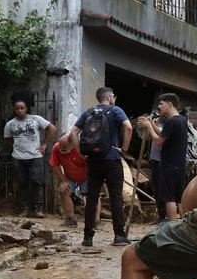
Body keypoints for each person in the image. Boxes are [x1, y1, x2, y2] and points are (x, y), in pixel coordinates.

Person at [70, 87, 133, 247]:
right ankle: (119, 235)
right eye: (113, 97)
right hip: (112, 159)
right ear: (110, 97)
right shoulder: (116, 110)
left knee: (91, 198)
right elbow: (128, 127)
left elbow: (73, 133)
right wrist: (124, 148)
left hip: (93, 161)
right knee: (115, 197)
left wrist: (82, 153)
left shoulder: (88, 112)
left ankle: (88, 237)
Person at [136, 94, 188, 221]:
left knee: (169, 198)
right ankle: (183, 223)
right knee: (179, 197)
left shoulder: (171, 121)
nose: (159, 107)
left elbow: (159, 141)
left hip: (169, 164)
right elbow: (164, 134)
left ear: (170, 104)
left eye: (161, 104)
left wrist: (148, 127)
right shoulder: (181, 120)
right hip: (179, 164)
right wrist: (153, 126)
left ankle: (171, 227)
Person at [3, 98, 56, 218]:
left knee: (37, 182)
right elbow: (7, 139)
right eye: (17, 108)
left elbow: (52, 128)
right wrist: (15, 147)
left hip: (35, 156)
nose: (20, 110)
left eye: (22, 108)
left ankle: (38, 208)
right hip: (18, 157)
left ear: (26, 109)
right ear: (14, 109)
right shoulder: (10, 124)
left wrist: (45, 144)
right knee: (22, 183)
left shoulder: (35, 119)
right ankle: (24, 208)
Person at [49, 134, 97, 227]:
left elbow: (92, 164)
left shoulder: (81, 149)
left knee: (92, 195)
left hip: (87, 175)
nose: (62, 149)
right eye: (61, 146)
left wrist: (94, 179)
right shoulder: (56, 148)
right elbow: (55, 165)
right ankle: (71, 218)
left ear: (73, 145)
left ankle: (94, 220)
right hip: (70, 176)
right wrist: (63, 181)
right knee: (63, 191)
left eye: (65, 147)